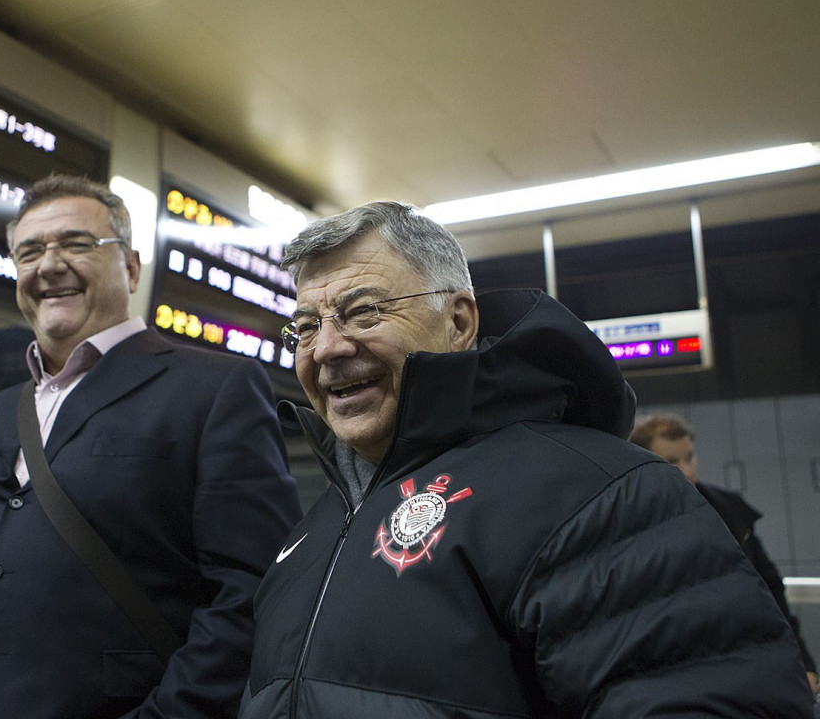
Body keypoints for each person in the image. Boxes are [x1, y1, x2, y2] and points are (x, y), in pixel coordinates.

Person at [240, 201, 813, 717]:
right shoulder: (313, 534)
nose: (328, 348)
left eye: (363, 312)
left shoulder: (598, 494)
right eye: (307, 326)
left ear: (459, 321)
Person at [0, 174, 302, 718]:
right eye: (29, 251)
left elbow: (252, 593)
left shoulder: (213, 391)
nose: (48, 264)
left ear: (132, 267)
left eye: (76, 244)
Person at [630, 411, 820, 696]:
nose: (687, 470)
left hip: (751, 667)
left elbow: (771, 595)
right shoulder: (632, 526)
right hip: (679, 679)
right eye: (672, 461)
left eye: (690, 457)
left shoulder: (730, 512)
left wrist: (801, 662)